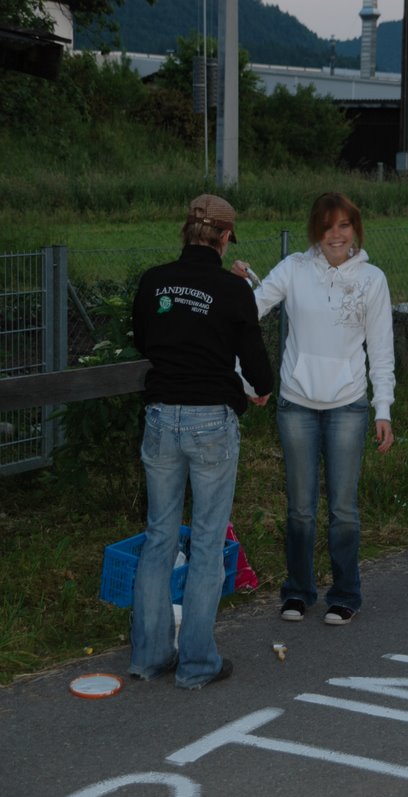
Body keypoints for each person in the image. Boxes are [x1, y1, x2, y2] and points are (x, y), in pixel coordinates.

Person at [129, 194, 273, 688]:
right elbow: (258, 369)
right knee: (208, 542)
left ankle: (150, 658)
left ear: (186, 231)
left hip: (160, 416)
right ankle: (196, 665)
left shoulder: (153, 280)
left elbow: (144, 340)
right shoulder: (233, 290)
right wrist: (260, 390)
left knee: (159, 537)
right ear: (225, 237)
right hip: (211, 421)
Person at [233, 192, 395, 625]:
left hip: (349, 408)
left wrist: (383, 408)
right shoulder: (294, 269)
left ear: (355, 228)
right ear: (315, 231)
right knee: (300, 509)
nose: (335, 235)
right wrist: (237, 285)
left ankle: (345, 594)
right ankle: (298, 591)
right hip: (296, 406)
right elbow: (249, 310)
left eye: (344, 225)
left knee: (343, 510)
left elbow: (381, 350)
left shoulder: (373, 280)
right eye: (327, 227)